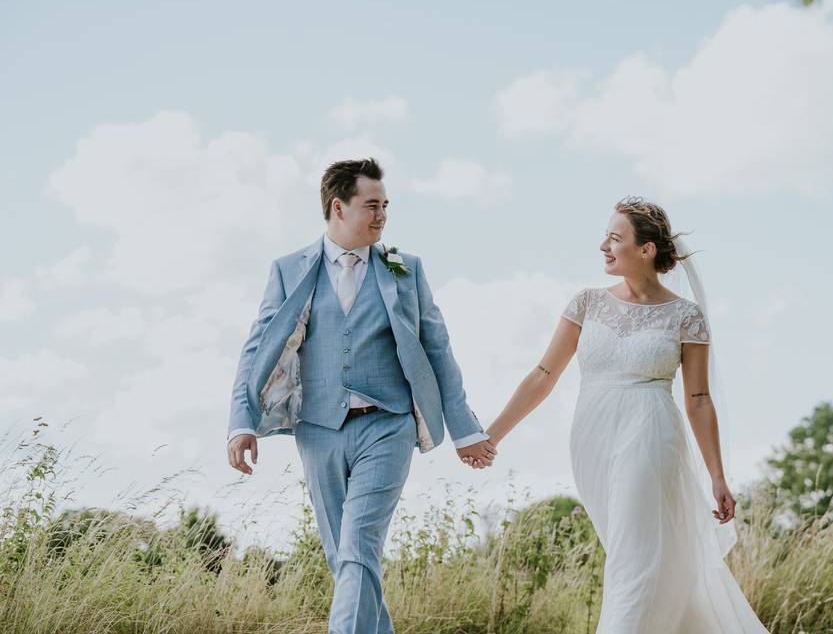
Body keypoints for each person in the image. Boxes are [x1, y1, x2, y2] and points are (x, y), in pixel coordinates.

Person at [225, 157, 497, 634]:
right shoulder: (289, 270)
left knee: (359, 545)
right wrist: (241, 421)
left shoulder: (404, 268)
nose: (382, 216)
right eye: (372, 205)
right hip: (317, 430)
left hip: (387, 424)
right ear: (338, 207)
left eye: (385, 205)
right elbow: (258, 347)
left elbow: (438, 349)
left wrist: (465, 428)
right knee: (345, 558)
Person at [480, 197, 770, 633]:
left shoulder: (685, 317)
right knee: (632, 553)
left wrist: (717, 476)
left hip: (650, 434)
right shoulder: (587, 304)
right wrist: (492, 435)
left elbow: (699, 399)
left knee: (634, 561)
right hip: (593, 440)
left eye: (615, 238)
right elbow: (543, 374)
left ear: (646, 250)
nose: (603, 246)